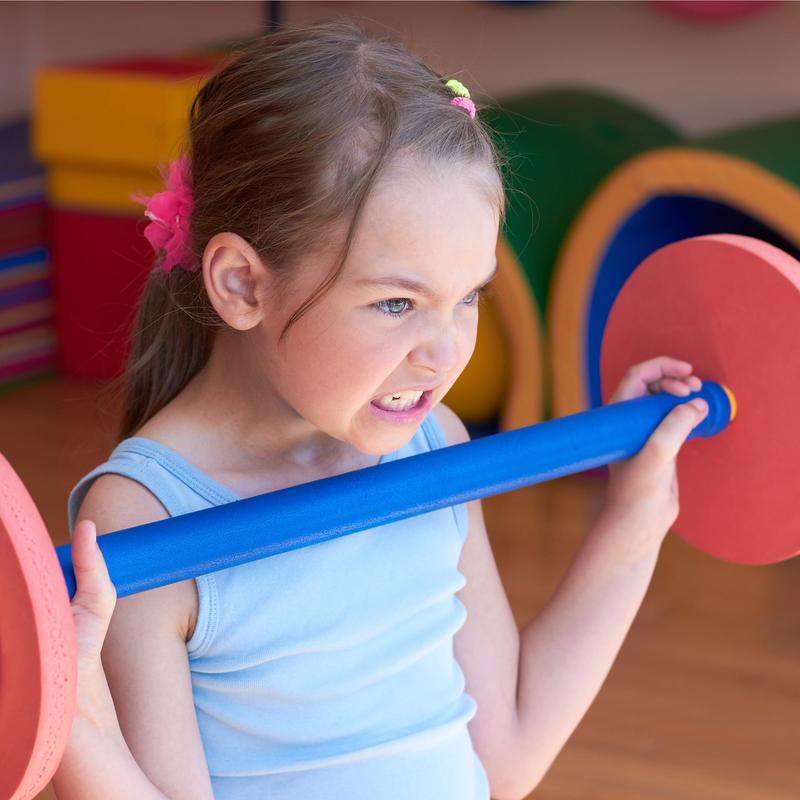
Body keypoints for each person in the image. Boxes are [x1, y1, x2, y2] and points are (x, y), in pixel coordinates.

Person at [55, 21, 708, 800]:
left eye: (468, 296)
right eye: (397, 302)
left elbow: (502, 760)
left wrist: (637, 518)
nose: (444, 353)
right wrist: (75, 717)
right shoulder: (146, 521)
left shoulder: (434, 447)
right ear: (241, 285)